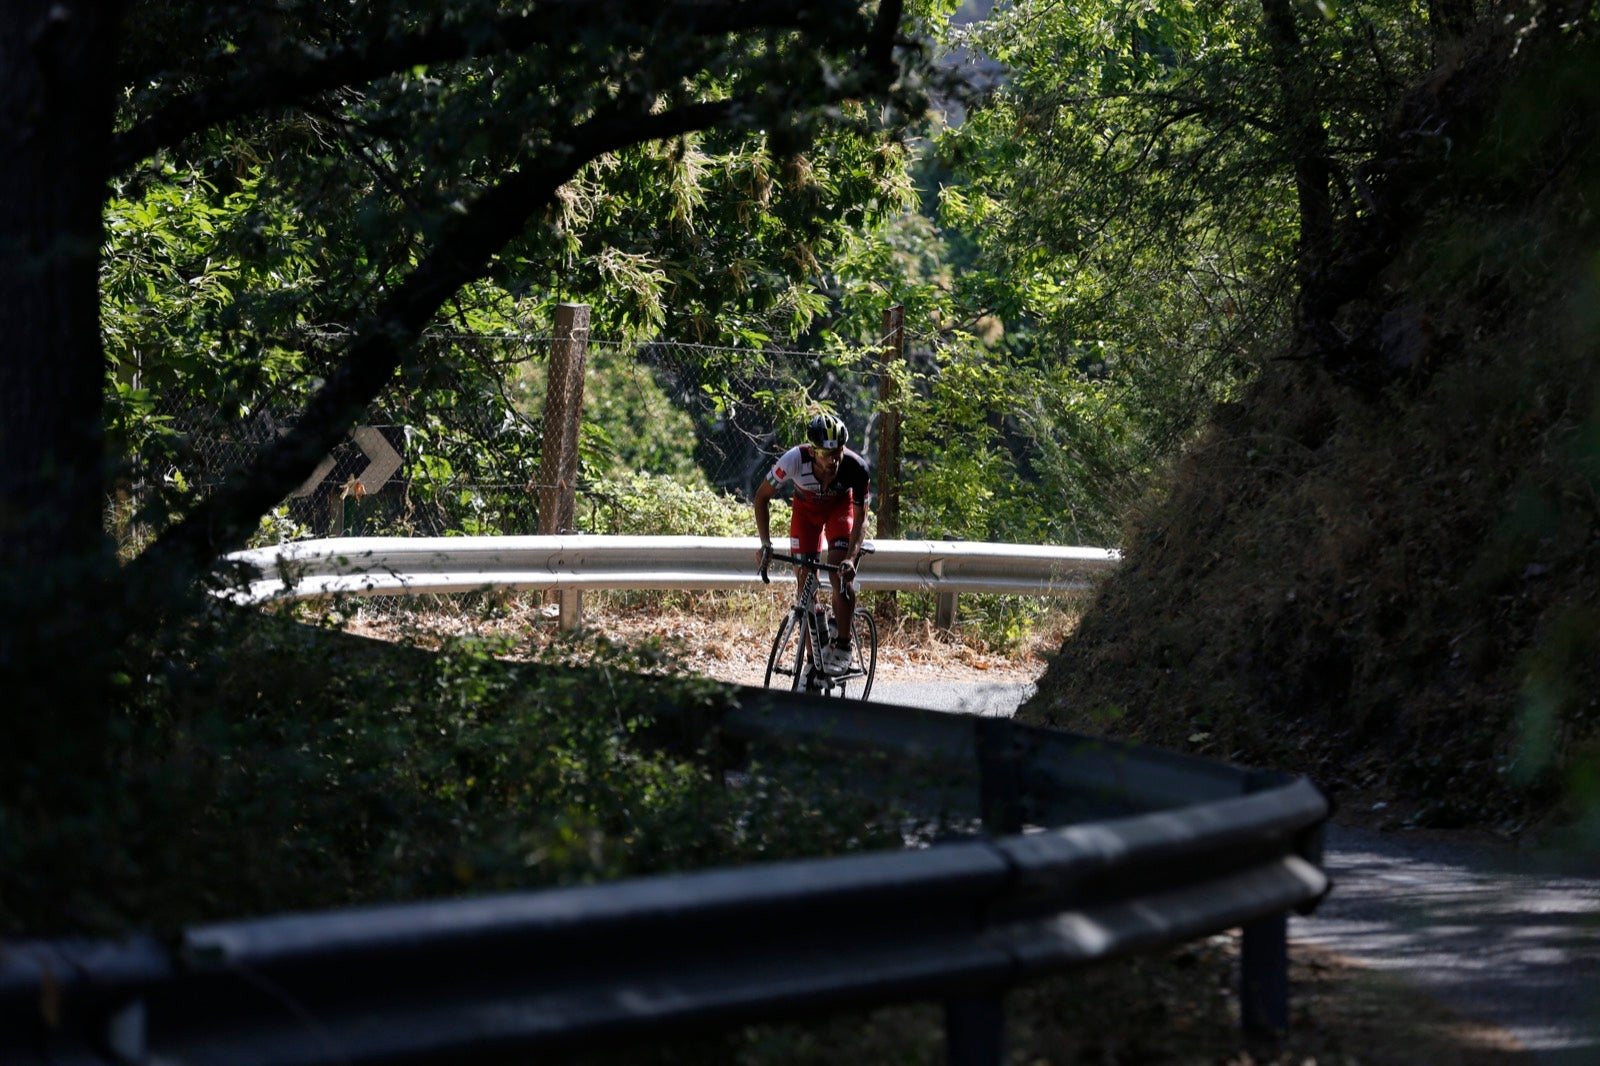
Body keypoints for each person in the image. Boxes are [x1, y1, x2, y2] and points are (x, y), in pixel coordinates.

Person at [753, 413, 870, 675]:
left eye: (838, 451)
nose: (834, 459)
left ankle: (843, 645)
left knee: (838, 572)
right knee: (805, 585)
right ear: (813, 451)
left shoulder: (856, 467)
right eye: (827, 454)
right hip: (806, 514)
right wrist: (765, 543)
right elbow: (761, 497)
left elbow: (861, 519)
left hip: (839, 510)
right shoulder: (793, 460)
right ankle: (812, 662)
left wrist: (851, 558)